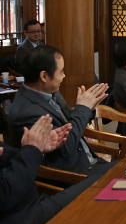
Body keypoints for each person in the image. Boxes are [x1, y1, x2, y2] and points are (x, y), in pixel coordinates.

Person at [8, 45, 114, 175]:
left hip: (88, 162)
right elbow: (66, 147)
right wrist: (83, 108)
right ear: (44, 76)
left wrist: (88, 108)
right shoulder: (26, 112)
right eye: (61, 72)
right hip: (74, 176)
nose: (64, 76)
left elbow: (69, 121)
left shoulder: (50, 91)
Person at [0, 115, 100, 224]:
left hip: (31, 203)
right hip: (20, 220)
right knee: (103, 185)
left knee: (105, 182)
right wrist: (32, 149)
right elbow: (8, 194)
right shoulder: (25, 112)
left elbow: (10, 159)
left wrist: (38, 147)